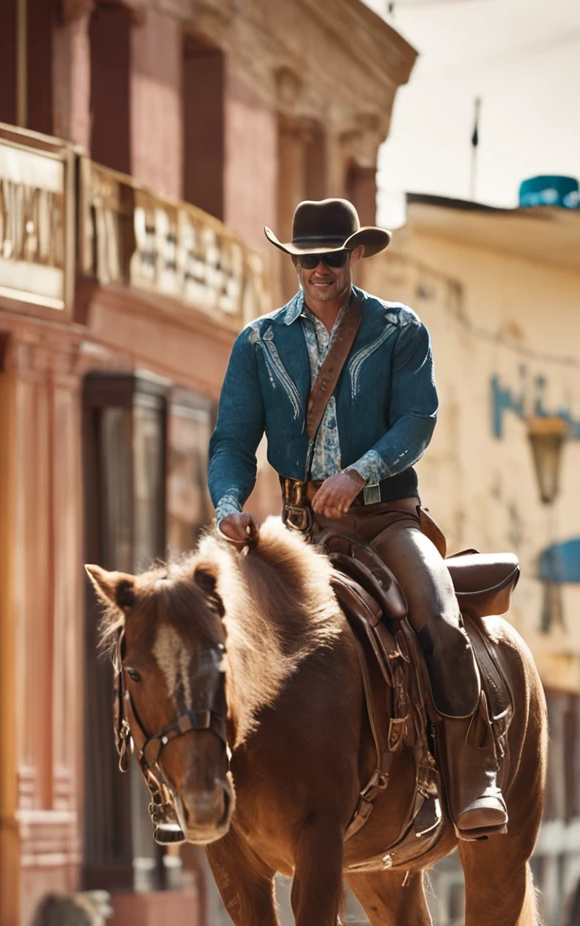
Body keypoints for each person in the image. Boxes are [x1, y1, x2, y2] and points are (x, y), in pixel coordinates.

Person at [208, 198, 506, 839]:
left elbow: (417, 419)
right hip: (297, 529)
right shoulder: (258, 343)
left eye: (332, 256)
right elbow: (232, 440)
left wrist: (359, 471)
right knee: (214, 637)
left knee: (440, 617)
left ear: (356, 254)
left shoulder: (399, 330)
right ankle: (203, 793)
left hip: (386, 521)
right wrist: (230, 505)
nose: (320, 269)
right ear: (294, 260)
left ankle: (470, 779)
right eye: (308, 258)